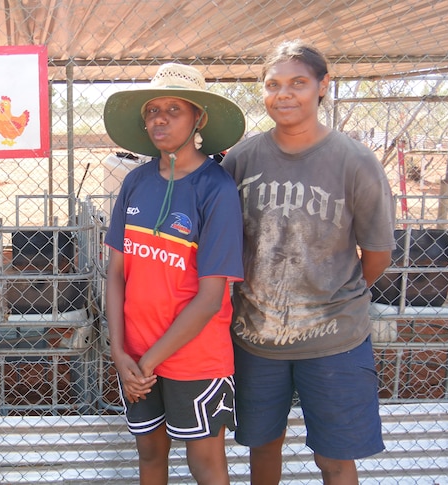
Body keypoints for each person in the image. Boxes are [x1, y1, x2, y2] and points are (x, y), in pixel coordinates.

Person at [221, 40, 395, 484]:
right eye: (273, 84)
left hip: (336, 339)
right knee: (263, 449)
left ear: (322, 86)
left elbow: (377, 254)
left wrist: (334, 295)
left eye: (298, 83)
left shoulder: (355, 161)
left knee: (335, 459)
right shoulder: (241, 160)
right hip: (256, 338)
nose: (285, 94)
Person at [103, 63, 246, 484]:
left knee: (205, 462)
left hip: (195, 357)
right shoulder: (135, 182)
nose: (159, 119)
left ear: (198, 118)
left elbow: (210, 296)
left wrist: (148, 362)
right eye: (151, 110)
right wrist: (119, 352)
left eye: (173, 109)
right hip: (135, 355)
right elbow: (116, 273)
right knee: (150, 454)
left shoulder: (215, 188)